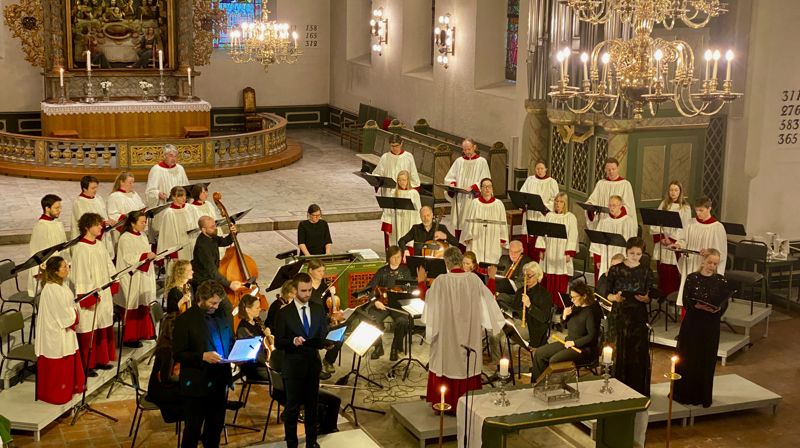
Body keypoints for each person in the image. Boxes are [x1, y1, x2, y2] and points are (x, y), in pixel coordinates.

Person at [422, 247, 505, 412]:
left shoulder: (441, 281)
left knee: (446, 362)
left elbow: (429, 304)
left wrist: (420, 281)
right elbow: (488, 300)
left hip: (447, 334)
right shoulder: (474, 280)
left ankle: (445, 403)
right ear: (460, 261)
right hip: (469, 333)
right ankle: (466, 403)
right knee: (466, 363)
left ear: (446, 263)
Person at [172, 280, 234, 448]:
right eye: (213, 302)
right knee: (192, 431)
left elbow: (230, 341)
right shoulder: (185, 320)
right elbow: (178, 353)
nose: (216, 306)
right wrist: (202, 356)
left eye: (218, 302)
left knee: (215, 429)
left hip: (219, 382)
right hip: (196, 384)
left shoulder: (221, 316)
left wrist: (236, 354)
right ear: (201, 298)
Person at [274, 273, 329, 448]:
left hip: (312, 365)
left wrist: (327, 343)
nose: (307, 294)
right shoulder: (284, 314)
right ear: (295, 290)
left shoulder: (318, 308)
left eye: (309, 290)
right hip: (293, 367)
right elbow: (278, 342)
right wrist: (292, 341)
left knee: (312, 407)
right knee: (292, 409)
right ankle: (292, 444)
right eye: (303, 291)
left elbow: (322, 334)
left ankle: (311, 442)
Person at [673, 249, 731, 408]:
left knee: (706, 358)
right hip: (693, 322)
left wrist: (717, 309)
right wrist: (696, 305)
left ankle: (702, 395)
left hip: (710, 324)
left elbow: (724, 302)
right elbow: (686, 300)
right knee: (688, 357)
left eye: (715, 263)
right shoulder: (692, 278)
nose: (712, 266)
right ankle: (683, 394)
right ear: (703, 261)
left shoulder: (721, 281)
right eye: (710, 262)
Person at [71, 212, 117, 376]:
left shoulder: (99, 245)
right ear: (86, 227)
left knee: (102, 324)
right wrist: (87, 296)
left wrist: (113, 281)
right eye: (97, 225)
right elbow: (80, 275)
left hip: (102, 291)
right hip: (91, 294)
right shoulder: (81, 249)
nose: (101, 227)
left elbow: (108, 265)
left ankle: (100, 359)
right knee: (89, 327)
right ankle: (87, 364)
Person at [606, 237, 653, 396]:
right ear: (626, 252)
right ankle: (616, 387)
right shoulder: (616, 269)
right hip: (619, 314)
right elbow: (606, 293)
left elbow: (649, 294)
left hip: (638, 316)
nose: (635, 256)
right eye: (632, 253)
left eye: (638, 254)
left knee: (637, 352)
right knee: (619, 350)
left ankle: (636, 389)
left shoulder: (646, 270)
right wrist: (615, 297)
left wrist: (646, 298)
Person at [35, 256, 85, 405]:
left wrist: (74, 311)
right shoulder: (52, 289)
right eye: (64, 266)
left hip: (64, 330)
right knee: (59, 365)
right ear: (56, 272)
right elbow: (63, 314)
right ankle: (56, 395)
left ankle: (69, 390)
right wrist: (75, 315)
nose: (67, 268)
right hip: (55, 333)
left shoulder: (61, 285)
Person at [532, 282, 602, 379]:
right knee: (540, 353)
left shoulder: (591, 312)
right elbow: (565, 326)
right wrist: (564, 316)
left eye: (574, 297)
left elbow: (592, 337)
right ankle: (536, 383)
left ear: (584, 296)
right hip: (568, 342)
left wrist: (574, 343)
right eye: (571, 297)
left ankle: (548, 385)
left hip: (584, 349)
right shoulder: (576, 307)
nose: (572, 300)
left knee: (554, 360)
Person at [673, 196, 728, 309]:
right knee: (689, 294)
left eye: (701, 210)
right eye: (696, 210)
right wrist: (678, 244)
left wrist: (709, 252)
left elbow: (721, 251)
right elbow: (683, 239)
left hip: (705, 266)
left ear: (709, 209)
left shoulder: (717, 227)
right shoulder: (690, 223)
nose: (698, 213)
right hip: (691, 262)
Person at [116, 211, 157, 347]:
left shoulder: (143, 235)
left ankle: (144, 332)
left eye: (145, 222)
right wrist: (145, 255)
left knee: (143, 303)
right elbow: (128, 257)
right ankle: (131, 337)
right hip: (132, 277)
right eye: (142, 222)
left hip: (143, 274)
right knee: (133, 304)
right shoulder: (125, 238)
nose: (145, 224)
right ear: (133, 223)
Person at [362, 246, 411, 361]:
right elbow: (369, 289)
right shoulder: (382, 271)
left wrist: (406, 293)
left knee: (403, 321)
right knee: (370, 318)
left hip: (399, 305)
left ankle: (395, 348)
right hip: (383, 304)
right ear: (389, 258)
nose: (397, 260)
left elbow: (411, 289)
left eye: (399, 257)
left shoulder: (406, 271)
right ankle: (378, 347)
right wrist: (375, 301)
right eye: (394, 257)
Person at [536, 192, 579, 307]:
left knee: (560, 281)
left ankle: (560, 306)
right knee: (548, 280)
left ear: (565, 204)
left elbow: (573, 236)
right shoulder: (549, 216)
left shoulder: (570, 218)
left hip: (562, 254)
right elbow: (542, 233)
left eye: (561, 202)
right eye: (556, 201)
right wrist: (541, 249)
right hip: (549, 253)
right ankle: (548, 305)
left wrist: (569, 252)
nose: (558, 204)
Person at [443, 138, 491, 238]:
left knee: (472, 226)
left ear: (474, 147)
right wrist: (452, 183)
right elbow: (449, 177)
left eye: (469, 149)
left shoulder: (482, 162)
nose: (467, 152)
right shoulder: (459, 161)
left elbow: (486, 180)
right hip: (460, 198)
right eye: (464, 150)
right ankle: (459, 249)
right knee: (459, 224)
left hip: (473, 199)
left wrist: (473, 187)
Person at [650, 181, 692, 295]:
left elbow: (685, 226)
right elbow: (655, 222)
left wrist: (672, 240)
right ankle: (662, 294)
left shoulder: (685, 208)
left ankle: (672, 295)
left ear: (680, 192)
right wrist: (661, 237)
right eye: (671, 190)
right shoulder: (664, 204)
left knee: (671, 270)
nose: (673, 193)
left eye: (676, 190)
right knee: (662, 269)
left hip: (674, 243)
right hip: (662, 241)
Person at [27, 194, 69, 297]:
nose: (59, 210)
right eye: (56, 208)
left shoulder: (57, 223)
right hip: (50, 271)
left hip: (60, 267)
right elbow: (37, 251)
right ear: (47, 208)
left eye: (60, 207)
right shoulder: (41, 227)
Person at [588, 195, 637, 284]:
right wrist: (598, 259)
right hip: (605, 257)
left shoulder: (628, 221)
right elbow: (597, 242)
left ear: (621, 205)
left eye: (614, 205)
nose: (611, 208)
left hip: (621, 257)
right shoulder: (604, 221)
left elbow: (632, 242)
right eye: (610, 205)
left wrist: (628, 260)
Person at [307, 259, 342, 378]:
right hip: (309, 322)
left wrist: (332, 294)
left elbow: (332, 305)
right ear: (310, 271)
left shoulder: (326, 285)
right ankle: (314, 367)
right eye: (319, 271)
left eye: (323, 271)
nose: (322, 274)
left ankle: (328, 361)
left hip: (324, 319)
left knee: (339, 336)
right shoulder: (303, 286)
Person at [462, 178, 508, 264]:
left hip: (493, 238)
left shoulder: (499, 204)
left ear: (492, 189)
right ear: (481, 189)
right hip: (477, 238)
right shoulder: (475, 203)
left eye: (489, 186)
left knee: (492, 262)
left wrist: (502, 239)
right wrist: (467, 236)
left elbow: (503, 223)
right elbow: (469, 222)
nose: (487, 189)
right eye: (484, 186)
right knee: (476, 260)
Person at [191, 215, 243, 291]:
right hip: (204, 283)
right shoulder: (202, 247)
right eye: (212, 227)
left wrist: (232, 233)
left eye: (215, 225)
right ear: (203, 229)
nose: (215, 228)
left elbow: (225, 242)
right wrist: (229, 284)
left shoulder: (210, 236)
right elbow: (212, 272)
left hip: (212, 277)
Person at [519, 160, 559, 258]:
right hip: (530, 215)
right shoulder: (530, 180)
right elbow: (522, 194)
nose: (539, 171)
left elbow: (555, 199)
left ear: (546, 169)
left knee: (539, 241)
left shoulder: (552, 182)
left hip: (542, 215)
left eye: (541, 168)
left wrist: (543, 206)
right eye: (537, 169)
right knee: (527, 242)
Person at [509, 262, 553, 348]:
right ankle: (497, 360)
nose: (526, 278)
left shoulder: (545, 295)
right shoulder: (520, 291)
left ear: (537, 276)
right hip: (517, 322)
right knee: (495, 335)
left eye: (529, 276)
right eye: (525, 276)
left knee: (505, 340)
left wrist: (529, 306)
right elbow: (513, 309)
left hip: (532, 328)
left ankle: (507, 360)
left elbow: (544, 318)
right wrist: (510, 317)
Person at [145, 144, 189, 231]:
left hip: (179, 204)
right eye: (171, 156)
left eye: (175, 156)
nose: (174, 159)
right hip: (164, 206)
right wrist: (158, 194)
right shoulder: (156, 169)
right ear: (164, 156)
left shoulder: (180, 168)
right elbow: (150, 191)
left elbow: (186, 186)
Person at [585, 157, 638, 228]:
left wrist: (615, 213)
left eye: (613, 169)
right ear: (605, 170)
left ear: (618, 168)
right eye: (608, 169)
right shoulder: (601, 183)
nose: (611, 172)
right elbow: (593, 200)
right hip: (603, 222)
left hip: (618, 223)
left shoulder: (625, 184)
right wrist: (590, 206)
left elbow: (629, 207)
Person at [70, 175, 114, 258]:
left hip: (102, 234)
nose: (95, 190)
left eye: (96, 187)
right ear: (84, 189)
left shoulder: (98, 198)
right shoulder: (79, 202)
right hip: (88, 240)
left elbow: (103, 215)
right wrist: (103, 223)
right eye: (92, 188)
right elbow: (84, 222)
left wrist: (108, 221)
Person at [379, 170, 421, 249]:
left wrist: (419, 228)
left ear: (408, 180)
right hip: (396, 222)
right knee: (396, 243)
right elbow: (388, 211)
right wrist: (387, 226)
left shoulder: (413, 193)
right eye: (399, 180)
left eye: (404, 180)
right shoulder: (393, 192)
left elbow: (419, 212)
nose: (401, 182)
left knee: (408, 243)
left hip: (409, 222)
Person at [236, 295, 271, 382]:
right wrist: (270, 363)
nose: (260, 309)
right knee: (282, 376)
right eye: (257, 307)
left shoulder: (257, 322)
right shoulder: (243, 329)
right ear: (248, 309)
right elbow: (254, 353)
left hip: (263, 362)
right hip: (254, 367)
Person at [106, 171, 146, 247]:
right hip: (124, 232)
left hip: (137, 229)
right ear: (122, 182)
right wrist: (128, 219)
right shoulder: (114, 196)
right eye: (130, 182)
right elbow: (113, 215)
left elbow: (142, 208)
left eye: (133, 182)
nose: (132, 185)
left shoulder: (134, 194)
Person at [157, 186, 194, 264]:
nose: (184, 198)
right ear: (173, 197)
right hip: (178, 248)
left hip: (190, 245)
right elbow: (168, 236)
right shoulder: (169, 213)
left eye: (184, 195)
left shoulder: (190, 208)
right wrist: (173, 254)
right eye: (180, 196)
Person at [494, 240, 532, 312]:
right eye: (511, 252)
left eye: (516, 252)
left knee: (500, 298)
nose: (513, 254)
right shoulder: (503, 259)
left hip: (516, 294)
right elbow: (497, 275)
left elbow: (522, 282)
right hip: (500, 291)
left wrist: (509, 287)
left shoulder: (527, 262)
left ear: (522, 251)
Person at [188, 184, 222, 256]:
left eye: (206, 191)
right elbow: (193, 225)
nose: (206, 194)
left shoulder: (209, 204)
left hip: (213, 235)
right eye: (203, 192)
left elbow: (214, 219)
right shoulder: (191, 208)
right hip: (202, 239)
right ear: (197, 194)